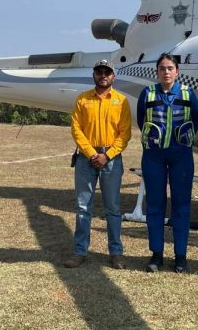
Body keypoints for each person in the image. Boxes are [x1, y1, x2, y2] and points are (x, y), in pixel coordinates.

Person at [65, 59, 132, 269]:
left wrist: (107, 155)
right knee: (83, 207)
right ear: (94, 74)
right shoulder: (82, 100)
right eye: (99, 71)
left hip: (111, 160)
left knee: (112, 208)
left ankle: (116, 253)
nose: (103, 75)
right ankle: (80, 251)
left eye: (107, 72)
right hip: (86, 159)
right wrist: (92, 153)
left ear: (113, 76)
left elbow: (125, 133)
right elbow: (77, 129)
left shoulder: (121, 101)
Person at [137, 53, 198, 273]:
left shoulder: (187, 93)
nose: (166, 72)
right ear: (157, 71)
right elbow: (140, 120)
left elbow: (196, 120)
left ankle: (180, 256)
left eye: (170, 68)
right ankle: (156, 254)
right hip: (153, 155)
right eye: (162, 68)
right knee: (155, 204)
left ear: (177, 71)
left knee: (181, 205)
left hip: (181, 154)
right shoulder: (147, 93)